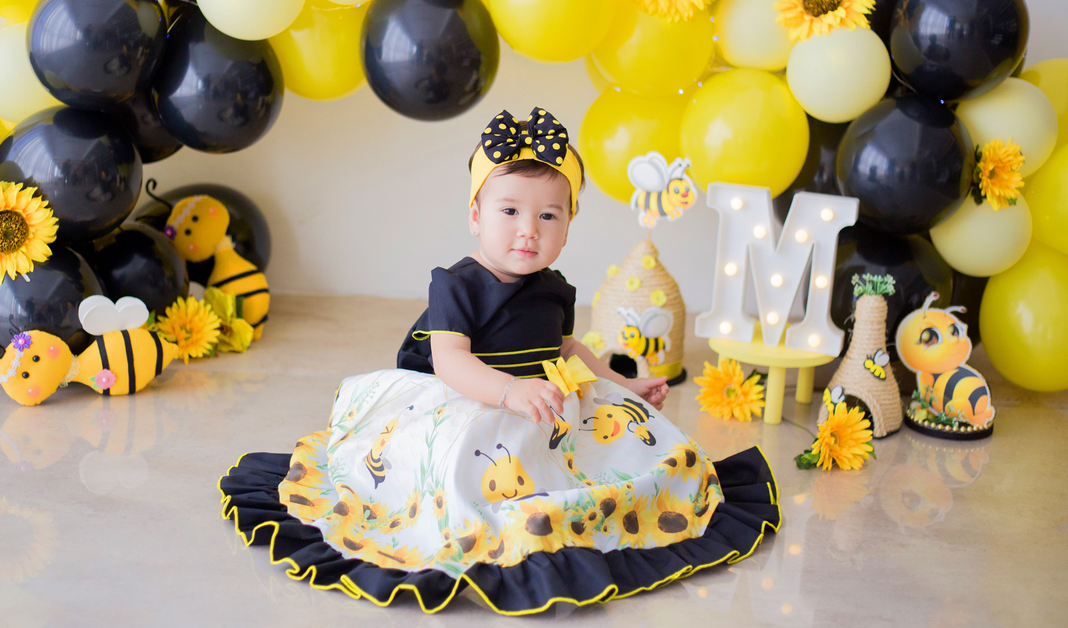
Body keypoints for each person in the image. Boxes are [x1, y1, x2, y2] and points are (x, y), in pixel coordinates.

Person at [219, 107, 779, 615]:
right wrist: (509, 392)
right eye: (509, 210)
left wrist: (619, 383)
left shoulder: (554, 288)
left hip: (535, 397)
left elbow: (567, 350)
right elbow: (451, 362)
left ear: (568, 226)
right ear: (475, 215)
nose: (528, 230)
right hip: (463, 398)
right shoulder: (456, 285)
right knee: (471, 465)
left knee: (621, 439)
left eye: (549, 216)